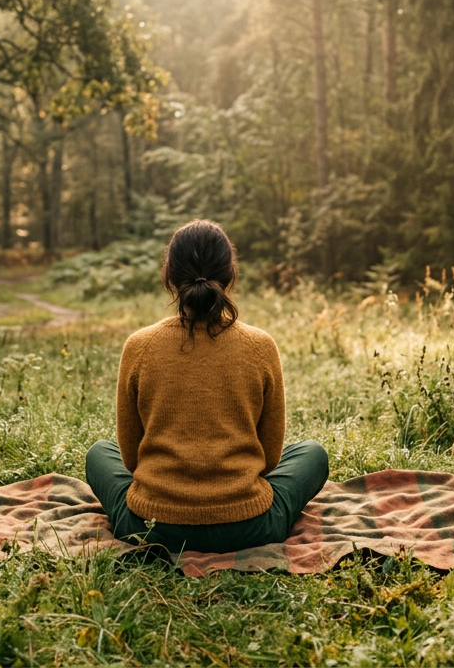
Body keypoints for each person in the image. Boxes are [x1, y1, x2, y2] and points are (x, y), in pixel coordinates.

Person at [85, 219, 329, 554]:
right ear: (230, 274)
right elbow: (270, 459)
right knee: (312, 453)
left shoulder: (139, 345)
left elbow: (130, 459)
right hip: (251, 528)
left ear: (170, 276)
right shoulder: (260, 346)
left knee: (100, 453)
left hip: (149, 528)